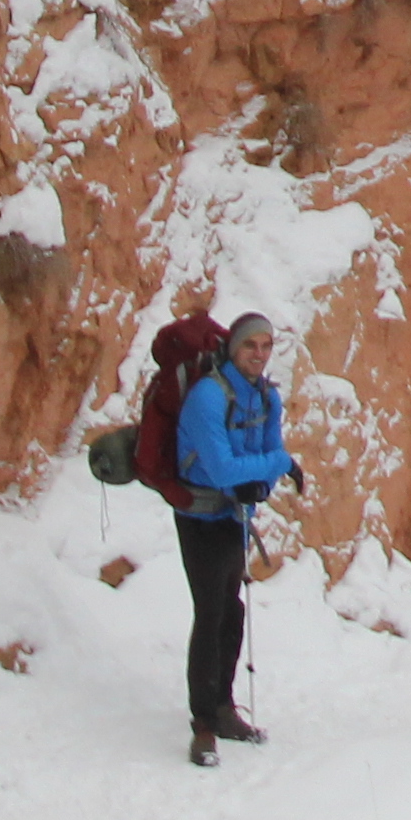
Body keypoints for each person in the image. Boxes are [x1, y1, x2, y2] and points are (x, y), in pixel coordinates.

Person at [170, 309, 295, 765]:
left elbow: (269, 452)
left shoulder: (265, 399)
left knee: (231, 610)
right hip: (199, 514)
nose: (258, 355)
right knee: (210, 612)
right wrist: (274, 468)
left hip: (234, 515)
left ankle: (222, 708)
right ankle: (203, 725)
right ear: (232, 349)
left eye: (265, 346)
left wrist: (263, 477)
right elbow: (228, 468)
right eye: (250, 346)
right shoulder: (208, 397)